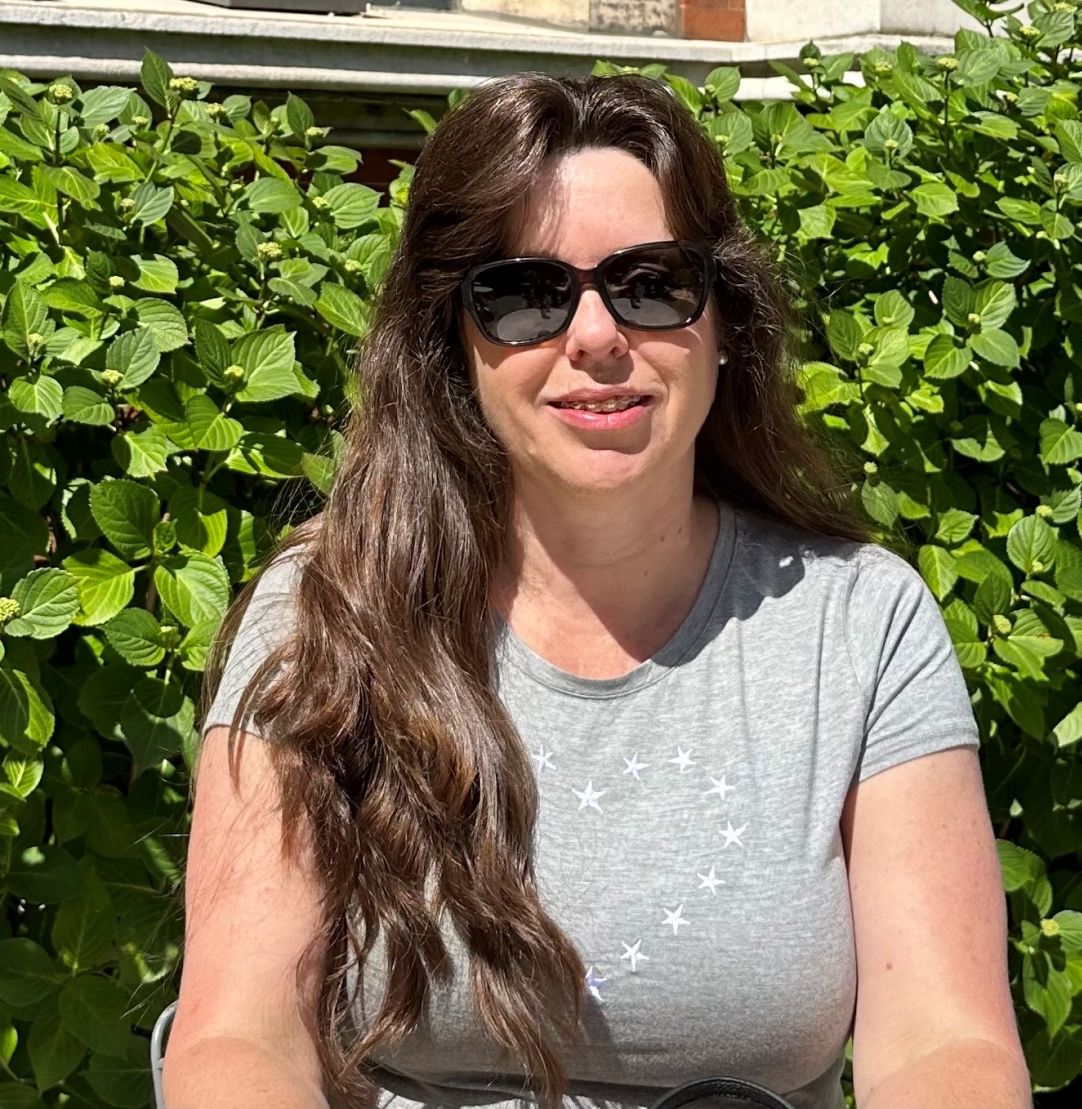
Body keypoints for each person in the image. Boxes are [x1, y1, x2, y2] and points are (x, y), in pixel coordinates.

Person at [163, 73, 1031, 1109]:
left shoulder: (859, 625)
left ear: (723, 317)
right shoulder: (327, 610)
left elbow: (944, 1045)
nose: (595, 336)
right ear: (455, 344)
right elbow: (239, 1037)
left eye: (650, 283)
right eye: (525, 293)